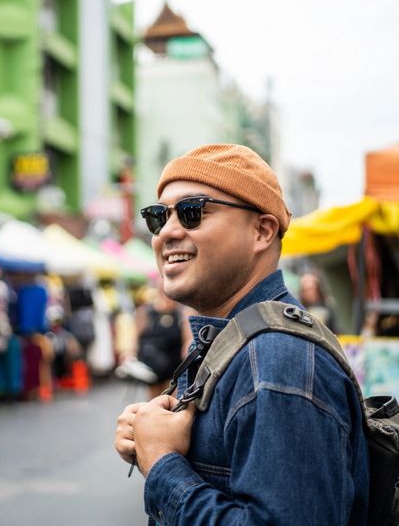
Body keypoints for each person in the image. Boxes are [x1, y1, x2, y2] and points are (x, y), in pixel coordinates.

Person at [113, 144, 369, 524]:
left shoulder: (278, 361)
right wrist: (152, 434)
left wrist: (164, 464)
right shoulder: (234, 344)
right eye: (158, 217)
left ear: (262, 231)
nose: (166, 233)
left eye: (192, 212)